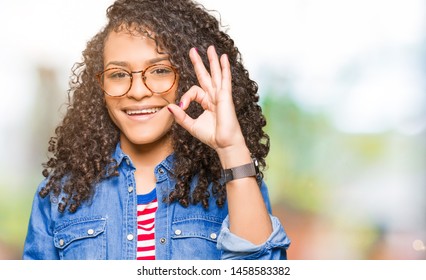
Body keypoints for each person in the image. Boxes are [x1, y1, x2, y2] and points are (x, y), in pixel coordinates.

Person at [23, 0, 291, 260]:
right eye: (118, 74)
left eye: (160, 70)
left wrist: (231, 148)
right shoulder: (60, 194)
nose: (138, 91)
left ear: (187, 78)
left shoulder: (235, 184)